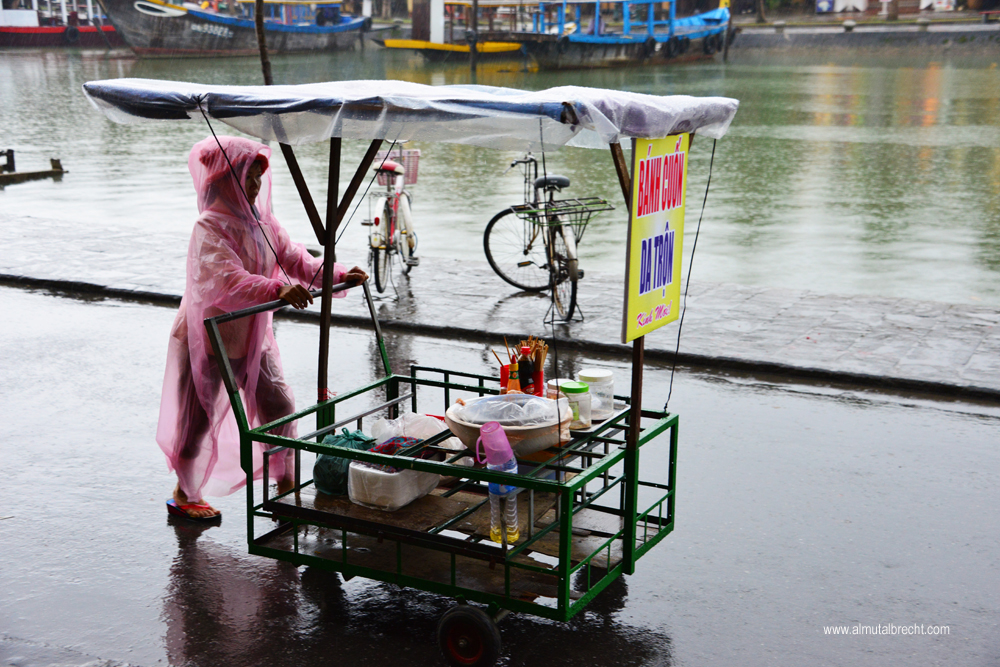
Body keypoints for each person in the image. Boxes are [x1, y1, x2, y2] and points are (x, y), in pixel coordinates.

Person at [159, 135, 367, 520]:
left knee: (280, 407)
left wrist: (339, 275)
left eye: (258, 177)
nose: (255, 185)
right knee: (199, 421)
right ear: (226, 179)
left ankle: (285, 486)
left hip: (253, 336)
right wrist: (276, 288)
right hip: (209, 338)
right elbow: (224, 279)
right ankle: (185, 493)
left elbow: (296, 259)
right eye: (247, 177)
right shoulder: (210, 226)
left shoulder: (263, 222)